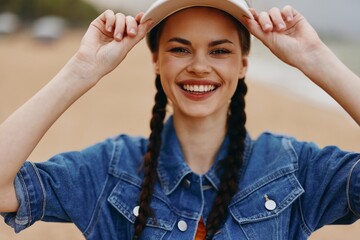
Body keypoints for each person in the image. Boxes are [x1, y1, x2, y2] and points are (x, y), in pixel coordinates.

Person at [0, 0, 359, 239]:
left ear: (244, 63)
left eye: (219, 50)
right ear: (156, 60)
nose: (200, 65)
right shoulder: (109, 168)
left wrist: (316, 59)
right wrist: (80, 71)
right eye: (180, 48)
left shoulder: (292, 167)